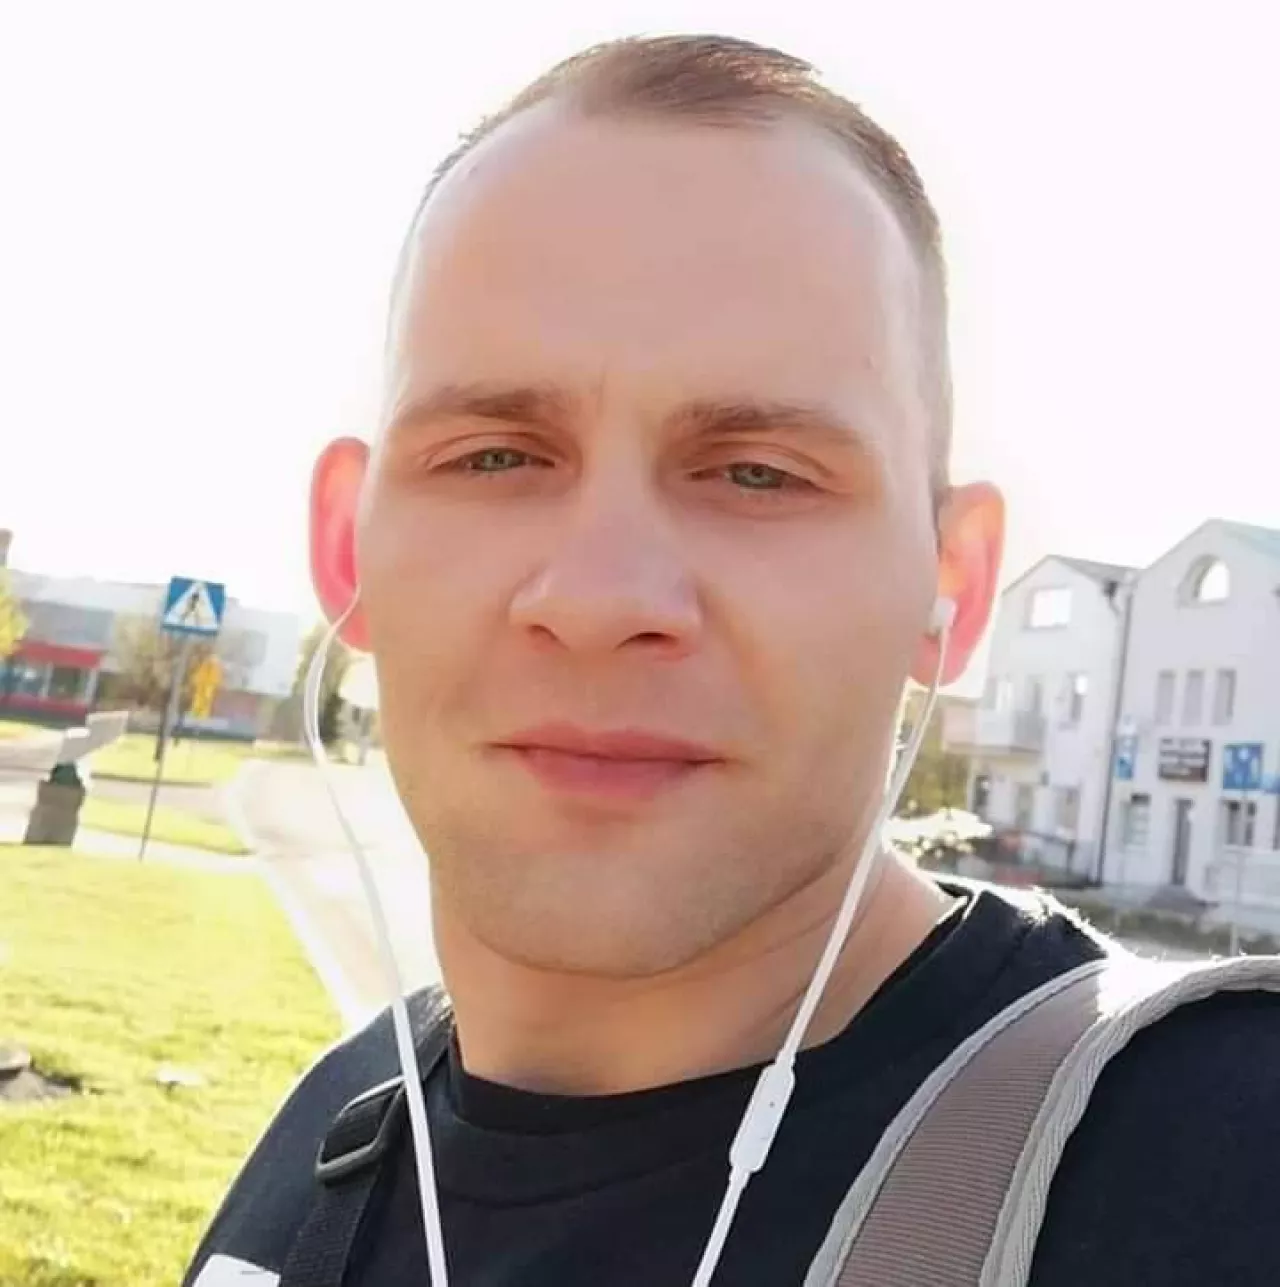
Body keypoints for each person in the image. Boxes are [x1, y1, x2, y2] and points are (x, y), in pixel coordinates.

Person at [185, 33, 1280, 1287]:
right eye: (495, 456)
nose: (599, 600)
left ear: (950, 586)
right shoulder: (325, 1143)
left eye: (757, 473)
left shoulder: (1218, 1169)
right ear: (347, 550)